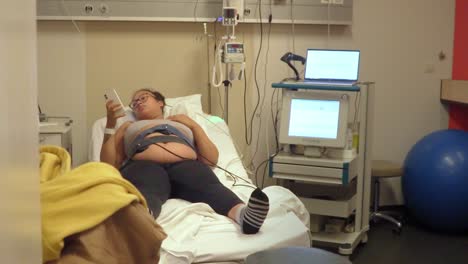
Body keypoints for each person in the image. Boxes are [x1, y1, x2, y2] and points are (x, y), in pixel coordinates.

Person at [100, 88, 269, 234]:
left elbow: (211, 159)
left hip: (186, 166)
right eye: (134, 102)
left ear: (160, 103)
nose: (138, 102)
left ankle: (244, 216)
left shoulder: (182, 123)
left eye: (143, 97)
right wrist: (111, 124)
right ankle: (143, 220)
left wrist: (194, 125)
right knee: (147, 189)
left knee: (209, 186)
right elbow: (107, 165)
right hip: (144, 166)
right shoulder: (128, 126)